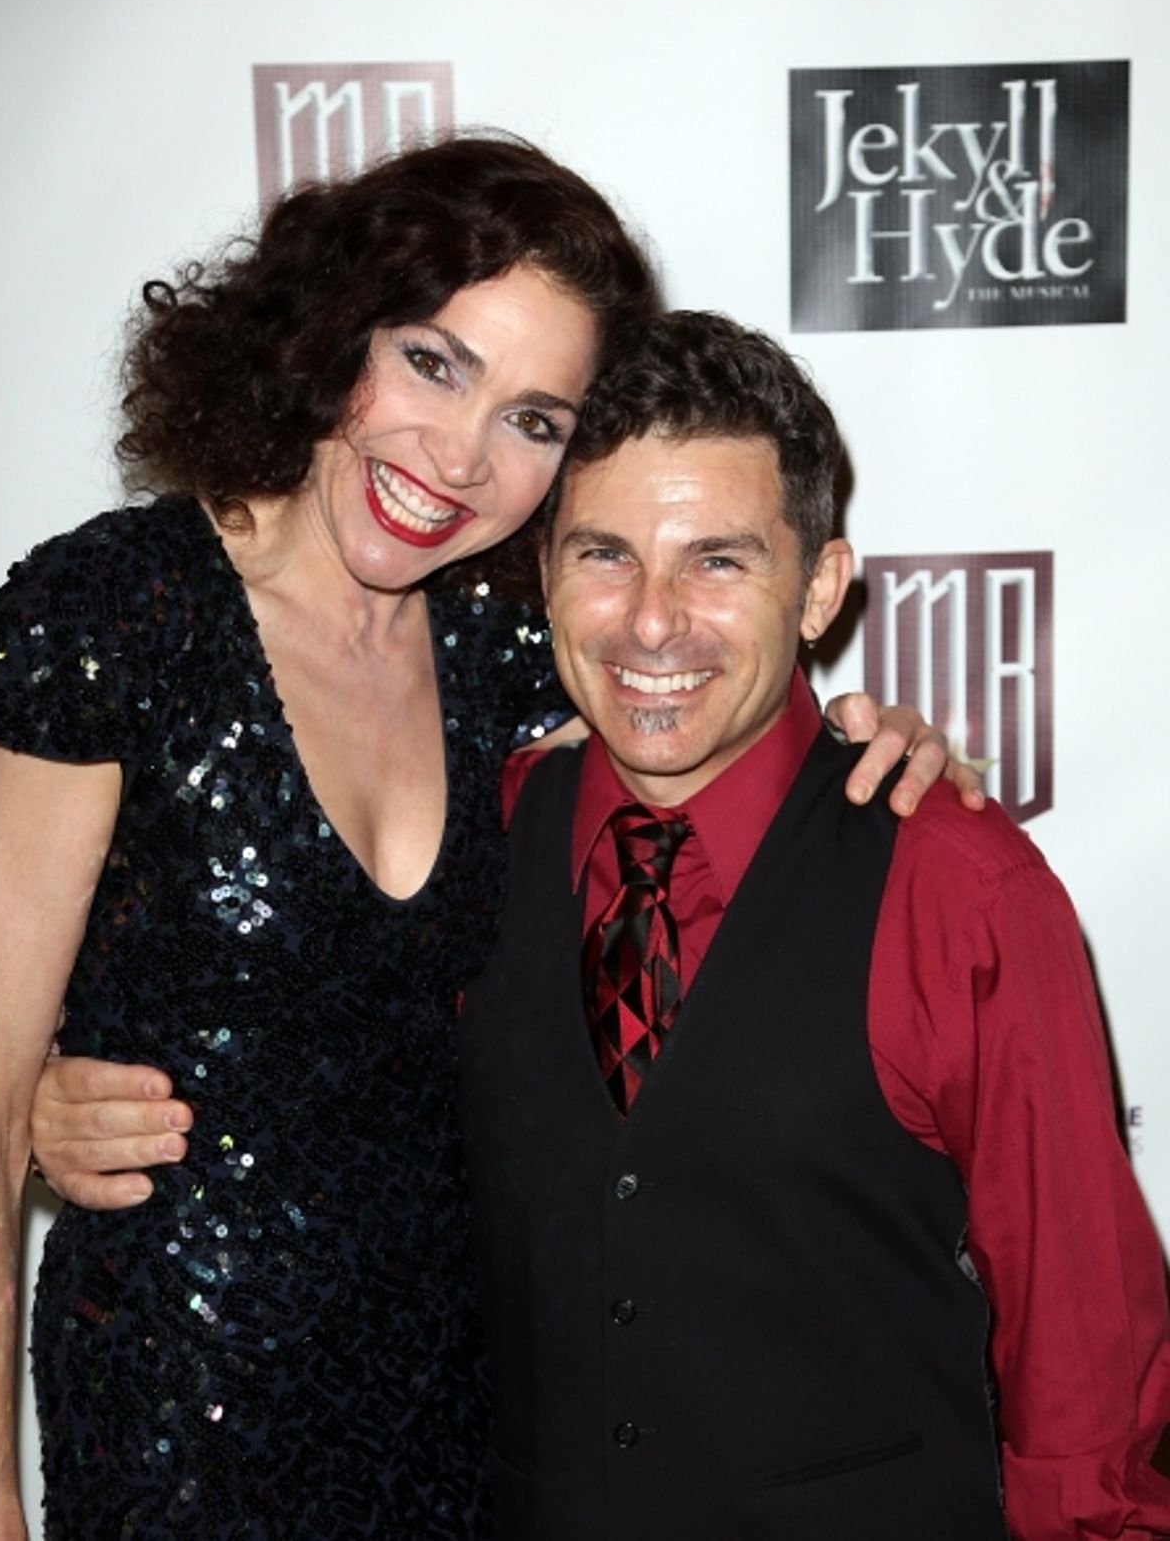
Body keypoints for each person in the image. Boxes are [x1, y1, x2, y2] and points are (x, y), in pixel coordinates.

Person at [0, 139, 955, 1541]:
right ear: (333, 332)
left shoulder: (503, 653)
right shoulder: (119, 616)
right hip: (184, 1422)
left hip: (468, 1416)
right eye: (434, 364)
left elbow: (709, 704)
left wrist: (882, 732)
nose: (461, 459)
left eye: (536, 421)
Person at [456, 312, 1170, 1540]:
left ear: (821, 589)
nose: (652, 622)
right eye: (605, 556)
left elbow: (1085, 1365)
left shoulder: (960, 886)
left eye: (718, 562)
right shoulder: (480, 834)